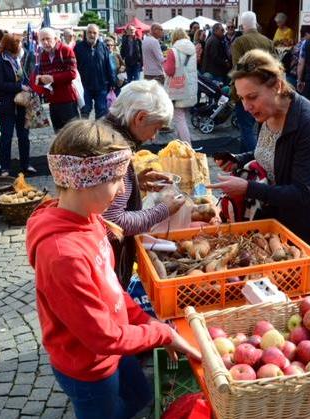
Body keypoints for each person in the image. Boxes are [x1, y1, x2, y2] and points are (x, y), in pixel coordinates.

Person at [26, 119, 200, 419]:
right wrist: (161, 335)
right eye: (117, 178)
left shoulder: (91, 218)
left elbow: (112, 288)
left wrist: (147, 323)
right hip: (89, 368)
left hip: (116, 346)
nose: (124, 188)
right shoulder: (63, 255)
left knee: (138, 397)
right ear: (86, 180)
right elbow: (102, 337)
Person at [207, 49, 310, 292]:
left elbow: (301, 193)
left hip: (305, 229)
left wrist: (247, 187)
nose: (246, 106)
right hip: (276, 222)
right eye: (242, 98)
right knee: (273, 291)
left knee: (301, 293)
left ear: (277, 85)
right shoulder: (267, 114)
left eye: (252, 97)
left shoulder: (309, 124)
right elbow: (269, 153)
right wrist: (237, 160)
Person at [103, 80, 185, 286]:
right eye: (156, 127)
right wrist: (164, 210)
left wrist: (135, 181)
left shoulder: (105, 129)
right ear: (140, 118)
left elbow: (106, 195)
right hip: (107, 257)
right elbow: (114, 222)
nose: (153, 137)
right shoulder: (115, 148)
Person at [0, 33, 34, 177]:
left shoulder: (17, 59)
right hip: (4, 105)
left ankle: (25, 165)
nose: (19, 50)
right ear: (8, 48)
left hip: (20, 103)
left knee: (24, 135)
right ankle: (5, 168)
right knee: (6, 136)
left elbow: (22, 77)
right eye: (16, 48)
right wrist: (19, 87)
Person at [231, 11, 275, 153]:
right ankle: (245, 160)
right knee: (262, 130)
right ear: (255, 23)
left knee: (246, 128)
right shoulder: (267, 41)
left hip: (246, 92)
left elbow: (239, 68)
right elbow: (276, 66)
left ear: (243, 25)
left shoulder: (239, 42)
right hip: (265, 90)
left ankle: (254, 160)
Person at [36, 28, 79, 132]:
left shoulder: (65, 50)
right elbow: (42, 73)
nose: (45, 42)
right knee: (58, 133)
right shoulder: (43, 55)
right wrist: (40, 79)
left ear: (55, 39)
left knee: (72, 133)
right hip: (53, 100)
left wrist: (53, 78)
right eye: (42, 40)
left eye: (48, 39)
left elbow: (73, 73)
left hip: (67, 99)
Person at [163, 28, 197, 144]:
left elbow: (169, 71)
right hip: (190, 87)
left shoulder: (173, 51)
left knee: (179, 118)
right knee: (182, 117)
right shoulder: (192, 49)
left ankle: (187, 145)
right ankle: (180, 144)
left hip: (178, 89)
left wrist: (164, 63)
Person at [74, 24, 115, 119]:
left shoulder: (103, 47)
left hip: (101, 85)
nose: (92, 35)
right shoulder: (78, 47)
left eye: (94, 33)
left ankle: (99, 132)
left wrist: (112, 81)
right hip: (85, 85)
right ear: (86, 33)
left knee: (101, 111)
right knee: (85, 110)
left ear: (98, 34)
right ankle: (85, 133)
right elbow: (74, 67)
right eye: (89, 32)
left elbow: (109, 65)